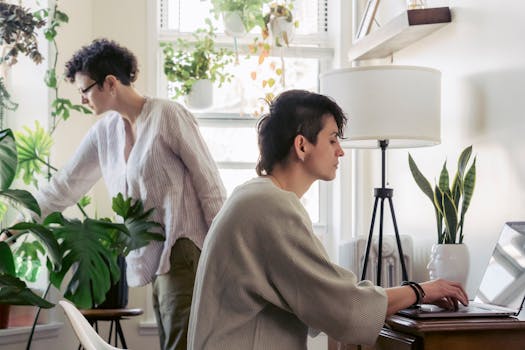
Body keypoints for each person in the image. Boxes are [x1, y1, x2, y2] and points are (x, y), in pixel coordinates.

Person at [187, 90, 468, 349]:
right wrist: (419, 290)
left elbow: (321, 301)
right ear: (302, 145)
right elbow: (344, 306)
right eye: (332, 139)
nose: (340, 151)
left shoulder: (252, 196)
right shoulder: (270, 205)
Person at [35, 39, 226, 350]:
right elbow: (66, 184)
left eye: (85, 90)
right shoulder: (105, 132)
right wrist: (21, 222)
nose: (82, 99)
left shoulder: (168, 115)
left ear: (110, 83)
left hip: (187, 248)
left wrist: (226, 250)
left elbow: (210, 184)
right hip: (158, 259)